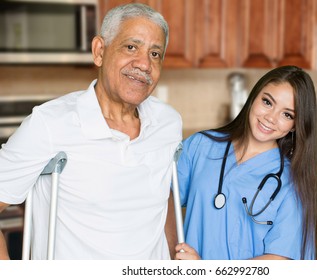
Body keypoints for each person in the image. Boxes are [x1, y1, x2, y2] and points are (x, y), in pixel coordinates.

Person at [0, 3, 182, 260]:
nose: (144, 64)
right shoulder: (49, 124)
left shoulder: (168, 122)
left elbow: (162, 195)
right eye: (131, 47)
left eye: (155, 54)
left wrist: (175, 260)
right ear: (99, 51)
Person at [174, 65, 317, 260]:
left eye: (287, 115)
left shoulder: (291, 184)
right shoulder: (200, 145)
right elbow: (162, 200)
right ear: (253, 97)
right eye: (267, 102)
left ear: (295, 125)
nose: (270, 118)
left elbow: (280, 260)